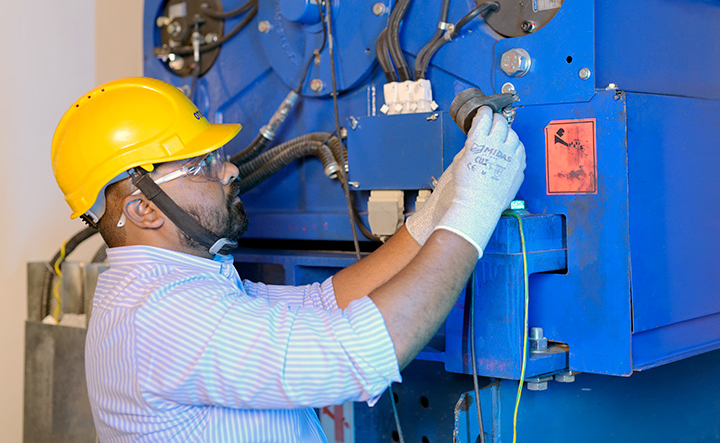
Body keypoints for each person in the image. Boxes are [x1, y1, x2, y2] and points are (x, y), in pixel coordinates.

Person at [51, 76, 525, 442]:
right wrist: (475, 208)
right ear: (144, 209)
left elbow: (324, 304)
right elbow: (359, 353)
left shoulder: (174, 288)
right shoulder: (162, 316)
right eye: (200, 166)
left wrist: (437, 211)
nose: (230, 168)